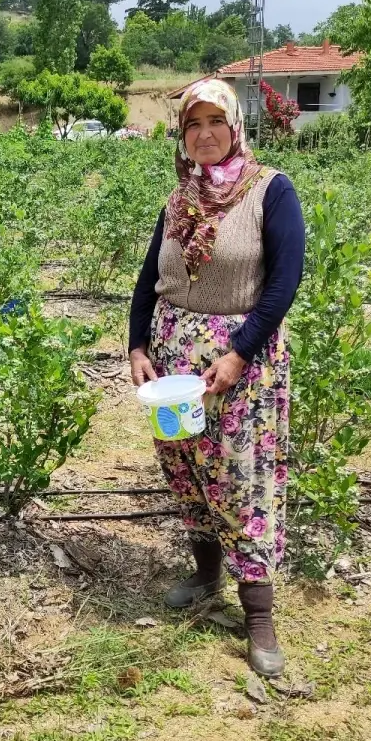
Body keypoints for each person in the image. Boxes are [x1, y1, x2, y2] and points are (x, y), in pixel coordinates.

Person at [128, 78, 305, 678]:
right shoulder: (178, 200)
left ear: (235, 127)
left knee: (241, 481)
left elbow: (283, 283)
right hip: (174, 367)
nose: (203, 135)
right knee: (185, 469)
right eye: (191, 125)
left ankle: (258, 616)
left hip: (239, 367)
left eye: (214, 123)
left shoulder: (269, 191)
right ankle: (207, 577)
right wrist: (136, 346)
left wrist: (237, 354)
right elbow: (150, 279)